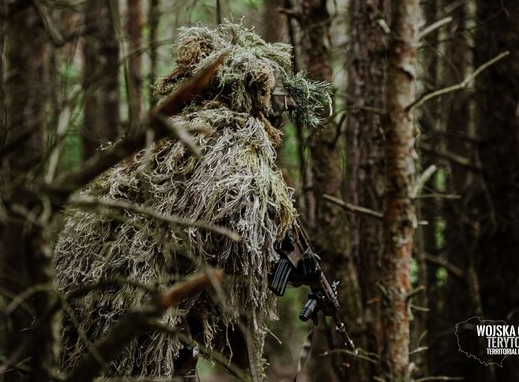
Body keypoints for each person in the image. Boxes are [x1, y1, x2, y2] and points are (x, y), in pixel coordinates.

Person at [54, 21, 331, 380]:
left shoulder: (168, 138)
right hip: (144, 319)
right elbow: (236, 245)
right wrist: (285, 267)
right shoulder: (236, 149)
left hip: (96, 308)